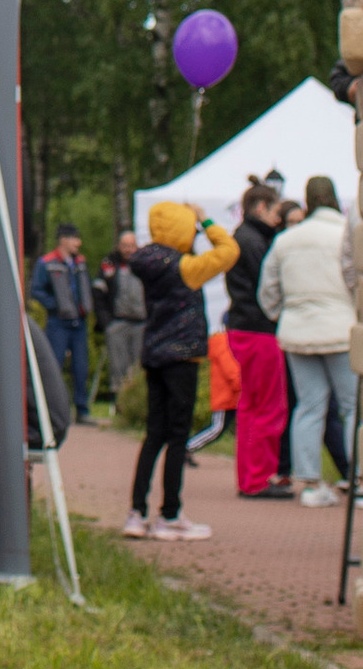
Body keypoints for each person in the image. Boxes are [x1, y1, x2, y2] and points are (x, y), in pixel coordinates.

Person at [120, 199, 239, 540]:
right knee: (177, 435)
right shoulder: (186, 268)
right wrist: (206, 221)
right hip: (182, 356)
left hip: (154, 353)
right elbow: (229, 251)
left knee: (153, 434)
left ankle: (136, 512)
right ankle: (169, 514)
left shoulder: (146, 262)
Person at [263, 171, 355, 506]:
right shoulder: (346, 234)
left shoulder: (286, 240)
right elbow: (357, 278)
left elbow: (268, 291)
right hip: (341, 328)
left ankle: (311, 484)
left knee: (309, 407)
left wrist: (284, 314)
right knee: (352, 406)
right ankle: (358, 481)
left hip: (298, 332)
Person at [223, 175, 291, 500]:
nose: (278, 218)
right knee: (268, 407)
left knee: (251, 406)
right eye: (276, 211)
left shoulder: (243, 237)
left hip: (243, 327)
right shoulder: (254, 241)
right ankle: (258, 479)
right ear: (261, 207)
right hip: (259, 329)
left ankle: (251, 477)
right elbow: (267, 285)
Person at [28, 225, 94, 420]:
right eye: (75, 238)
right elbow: (36, 290)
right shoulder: (47, 263)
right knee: (53, 365)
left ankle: (82, 410)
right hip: (58, 322)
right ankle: (51, 410)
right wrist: (54, 305)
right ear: (63, 240)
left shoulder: (80, 262)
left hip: (79, 322)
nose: (78, 243)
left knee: (81, 366)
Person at [103, 235, 146, 395]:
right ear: (119, 246)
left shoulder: (145, 265)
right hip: (118, 322)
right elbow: (99, 293)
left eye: (131, 245)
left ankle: (137, 399)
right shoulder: (109, 264)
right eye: (125, 245)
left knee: (139, 365)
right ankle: (118, 399)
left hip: (141, 323)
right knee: (117, 365)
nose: (128, 249)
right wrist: (106, 322)